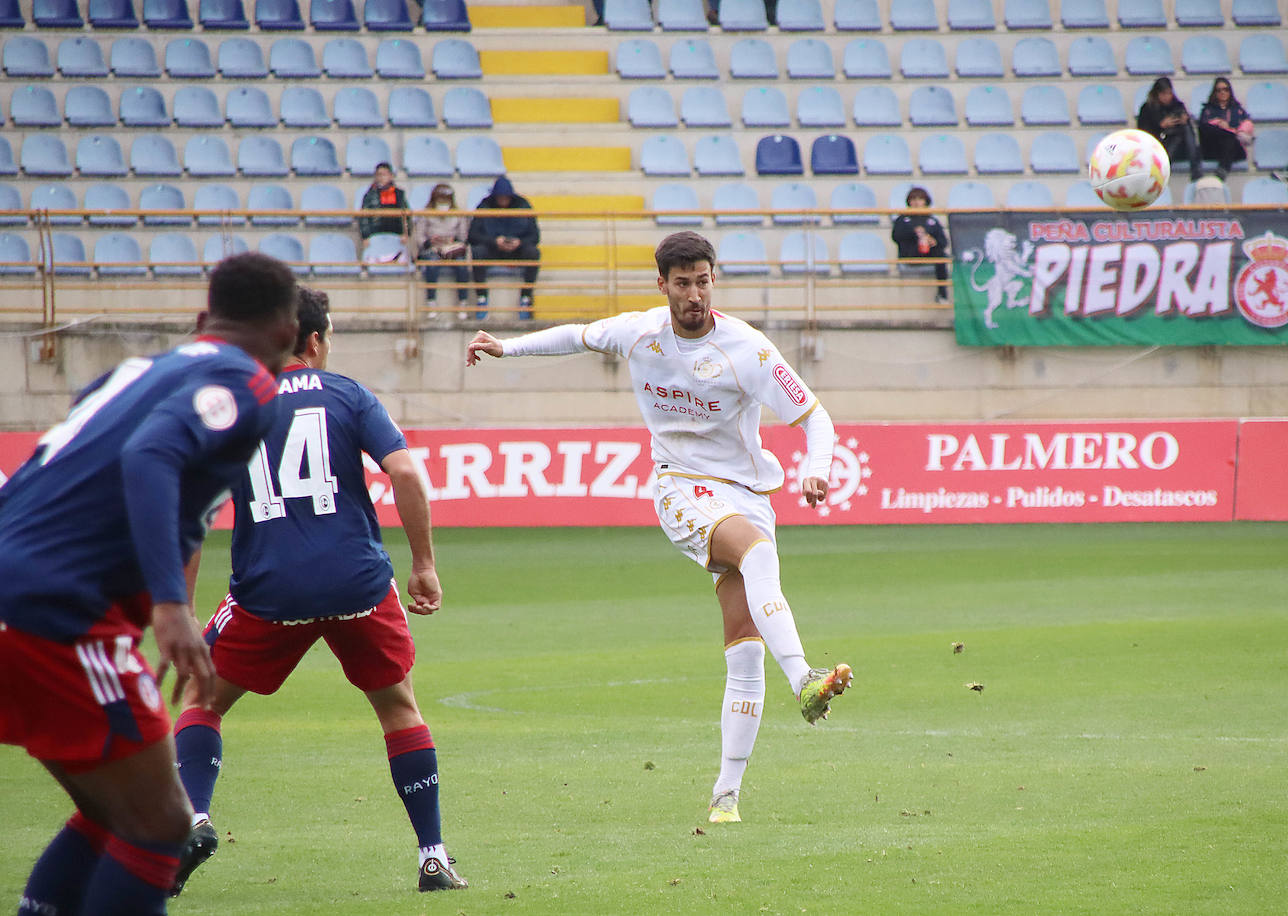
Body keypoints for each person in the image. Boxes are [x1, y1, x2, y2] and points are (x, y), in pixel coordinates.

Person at [464, 231, 853, 825]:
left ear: (713, 279)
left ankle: (726, 797)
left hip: (746, 493)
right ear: (663, 285)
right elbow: (576, 336)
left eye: (702, 281)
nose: (693, 294)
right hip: (679, 485)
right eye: (682, 283)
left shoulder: (747, 349)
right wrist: (507, 347)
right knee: (755, 557)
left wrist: (816, 469)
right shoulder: (640, 332)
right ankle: (805, 678)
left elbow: (815, 417)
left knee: (744, 651)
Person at [0, 252, 299, 916]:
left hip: (22, 595)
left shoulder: (139, 372)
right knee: (163, 825)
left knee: (111, 814)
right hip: (54, 613)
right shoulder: (246, 382)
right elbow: (152, 453)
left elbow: (78, 457)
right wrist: (170, 603)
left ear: (201, 319)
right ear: (287, 333)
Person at [171, 287, 464, 896]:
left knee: (202, 697)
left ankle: (194, 817)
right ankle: (433, 856)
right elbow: (405, 471)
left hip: (269, 590)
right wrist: (425, 565)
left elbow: (187, 512)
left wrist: (179, 608)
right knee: (399, 709)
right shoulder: (349, 394)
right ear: (312, 341)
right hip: (357, 582)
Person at [468, 175, 540, 321]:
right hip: (492, 248)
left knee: (533, 252)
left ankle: (525, 299)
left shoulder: (523, 205)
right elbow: (473, 236)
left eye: (506, 197)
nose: (503, 201)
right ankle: (482, 298)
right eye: (500, 197)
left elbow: (535, 237)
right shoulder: (484, 206)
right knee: (477, 252)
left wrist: (519, 242)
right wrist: (494, 241)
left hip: (517, 249)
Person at [414, 183, 471, 313]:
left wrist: (453, 241)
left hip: (452, 249)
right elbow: (419, 237)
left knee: (462, 265)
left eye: (446, 200)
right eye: (440, 200)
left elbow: (463, 236)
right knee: (432, 264)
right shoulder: (425, 214)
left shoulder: (458, 214)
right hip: (433, 248)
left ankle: (463, 302)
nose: (443, 203)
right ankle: (431, 301)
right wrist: (430, 241)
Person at [1137, 76, 1203, 182]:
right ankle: (1165, 165)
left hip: (1179, 146)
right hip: (1159, 144)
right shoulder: (1147, 109)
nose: (1167, 97)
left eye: (1169, 93)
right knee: (1178, 136)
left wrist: (1184, 120)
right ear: (1157, 94)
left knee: (1185, 129)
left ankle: (1195, 168)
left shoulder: (1177, 106)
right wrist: (1161, 125)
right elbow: (1143, 133)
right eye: (1163, 94)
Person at [891, 186, 949, 303]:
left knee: (942, 256)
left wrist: (933, 241)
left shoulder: (932, 220)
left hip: (928, 253)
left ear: (926, 202)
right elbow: (895, 237)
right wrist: (913, 233)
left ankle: (942, 294)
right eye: (913, 199)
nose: (917, 202)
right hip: (910, 253)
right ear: (909, 202)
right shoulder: (902, 219)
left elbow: (944, 242)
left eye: (920, 199)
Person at [1198, 78, 1255, 179]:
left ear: (1230, 91)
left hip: (1234, 149)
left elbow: (1247, 124)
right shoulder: (1208, 110)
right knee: (1216, 131)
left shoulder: (1238, 110)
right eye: (1219, 90)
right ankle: (1233, 136)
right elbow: (1204, 129)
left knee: (1231, 140)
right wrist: (1219, 123)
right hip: (1214, 148)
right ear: (1214, 93)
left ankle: (1223, 169)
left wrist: (1233, 131)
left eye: (1225, 89)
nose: (1222, 92)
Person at [359, 162, 410, 242]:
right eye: (378, 175)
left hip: (397, 235)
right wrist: (365, 237)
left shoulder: (399, 194)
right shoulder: (369, 195)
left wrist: (406, 234)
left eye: (384, 174)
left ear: (391, 176)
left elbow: (407, 216)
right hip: (375, 234)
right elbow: (363, 217)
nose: (381, 178)